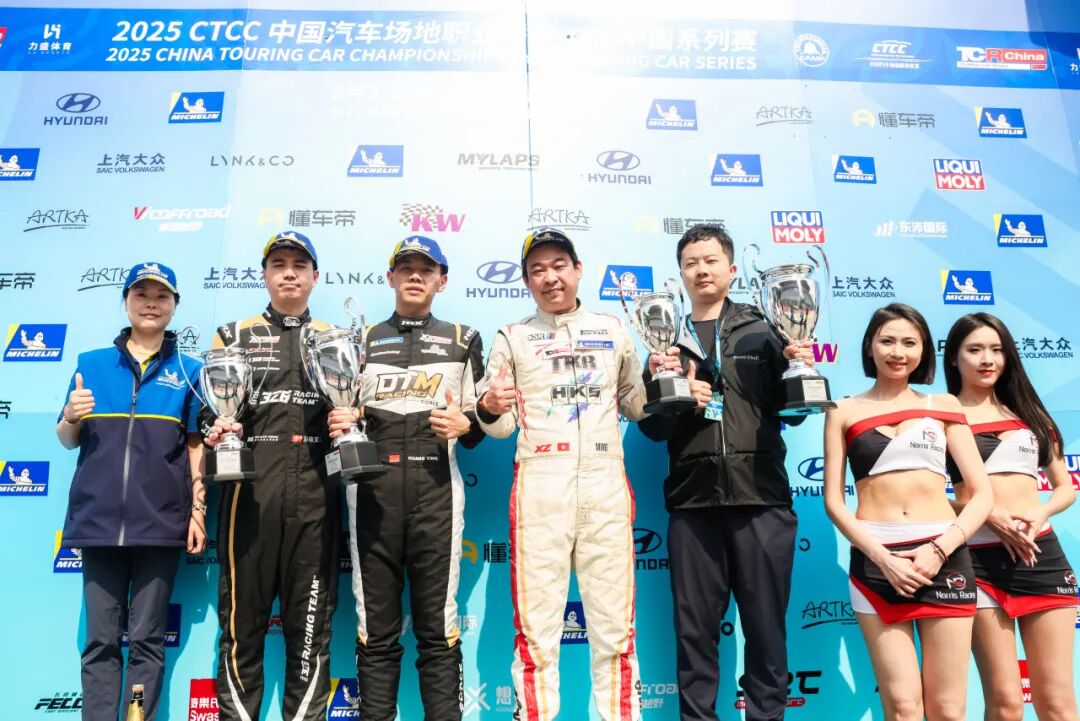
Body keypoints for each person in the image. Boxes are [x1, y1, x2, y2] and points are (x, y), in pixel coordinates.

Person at [637, 224, 814, 721]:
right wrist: (674, 396)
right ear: (680, 273)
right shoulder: (666, 340)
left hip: (762, 499)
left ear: (732, 269)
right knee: (694, 634)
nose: (701, 270)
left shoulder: (766, 329)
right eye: (691, 263)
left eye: (711, 260)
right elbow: (653, 430)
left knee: (766, 631)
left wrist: (798, 367)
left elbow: (795, 412)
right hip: (693, 503)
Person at [476, 227, 649, 721]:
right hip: (540, 485)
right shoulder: (512, 337)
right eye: (537, 270)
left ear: (577, 270)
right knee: (536, 632)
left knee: (616, 631)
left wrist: (663, 376)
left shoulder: (613, 329)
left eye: (558, 266)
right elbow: (499, 427)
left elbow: (636, 406)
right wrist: (488, 407)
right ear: (526, 281)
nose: (549, 277)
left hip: (605, 481)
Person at [332, 236, 486, 721]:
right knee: (375, 631)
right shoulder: (359, 340)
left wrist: (468, 425)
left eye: (426, 269)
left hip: (436, 495)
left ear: (443, 280)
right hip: (370, 495)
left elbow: (483, 423)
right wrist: (341, 419)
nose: (415, 275)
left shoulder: (464, 339)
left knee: (437, 629)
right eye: (405, 268)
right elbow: (340, 413)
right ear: (390, 277)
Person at [823, 303, 993, 721]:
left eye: (909, 342)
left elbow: (981, 495)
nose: (897, 352)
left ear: (924, 350)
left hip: (944, 558)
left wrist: (939, 550)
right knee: (902, 708)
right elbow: (834, 501)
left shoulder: (944, 404)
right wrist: (883, 559)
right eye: (887, 341)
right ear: (870, 346)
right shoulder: (842, 410)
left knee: (948, 710)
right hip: (877, 561)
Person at [57, 261, 206, 721]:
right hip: (98, 524)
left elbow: (196, 446)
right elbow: (67, 438)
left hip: (160, 524)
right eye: (141, 294)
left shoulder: (191, 371)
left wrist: (198, 510)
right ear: (126, 302)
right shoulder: (91, 364)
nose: (151, 304)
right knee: (100, 642)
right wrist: (71, 415)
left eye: (161, 296)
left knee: (147, 641)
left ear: (174, 305)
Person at [203, 231, 338, 721]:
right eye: (278, 264)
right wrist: (218, 426)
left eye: (299, 265)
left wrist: (353, 417)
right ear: (264, 274)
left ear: (315, 276)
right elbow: (208, 413)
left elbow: (355, 412)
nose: (289, 273)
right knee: (241, 630)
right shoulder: (233, 335)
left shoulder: (335, 338)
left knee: (310, 634)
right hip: (250, 498)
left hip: (317, 499)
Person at [943, 313, 1078, 721]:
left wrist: (1041, 512)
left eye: (997, 350)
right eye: (975, 350)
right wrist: (986, 512)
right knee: (1006, 705)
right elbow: (929, 495)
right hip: (977, 562)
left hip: (1041, 558)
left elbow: (1065, 487)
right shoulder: (941, 417)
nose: (987, 359)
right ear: (954, 357)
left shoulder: (1030, 413)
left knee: (1058, 703)